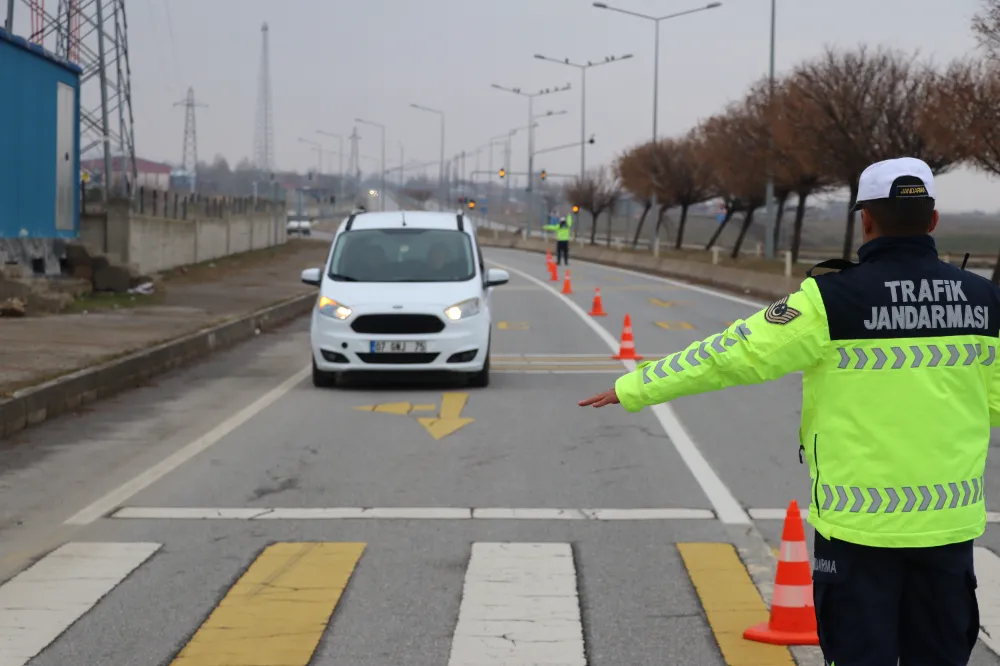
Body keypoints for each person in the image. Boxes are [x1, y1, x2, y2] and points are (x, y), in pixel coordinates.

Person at [579, 157, 1000, 666]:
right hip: (948, 532)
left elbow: (728, 355)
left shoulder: (830, 300)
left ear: (864, 219)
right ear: (933, 221)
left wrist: (636, 385)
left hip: (856, 534)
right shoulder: (983, 301)